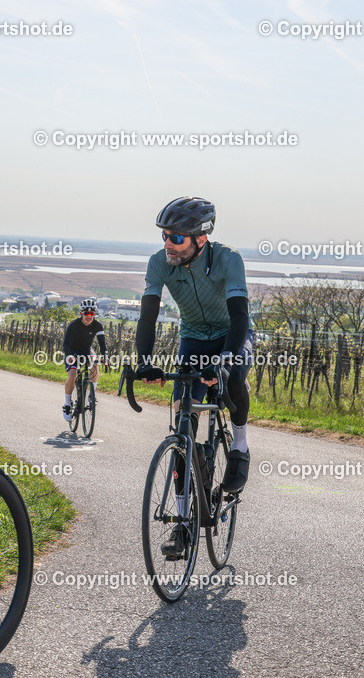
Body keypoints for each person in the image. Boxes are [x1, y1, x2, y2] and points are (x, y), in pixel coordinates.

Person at [133, 196, 254, 558]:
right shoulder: (159, 264)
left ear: (200, 238)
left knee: (231, 380)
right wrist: (143, 362)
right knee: (183, 418)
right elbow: (147, 317)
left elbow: (239, 314)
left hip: (232, 333)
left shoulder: (228, 259)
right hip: (193, 337)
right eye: (165, 236)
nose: (168, 244)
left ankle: (240, 446)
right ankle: (183, 526)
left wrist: (226, 359)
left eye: (177, 238)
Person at [62, 298, 108, 421]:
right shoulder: (73, 325)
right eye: (86, 313)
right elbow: (66, 344)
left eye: (92, 313)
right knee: (72, 376)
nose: (89, 316)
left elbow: (102, 344)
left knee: (95, 363)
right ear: (81, 313)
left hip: (87, 350)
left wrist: (105, 356)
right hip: (73, 352)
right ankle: (67, 404)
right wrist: (70, 356)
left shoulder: (97, 325)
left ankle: (92, 395)